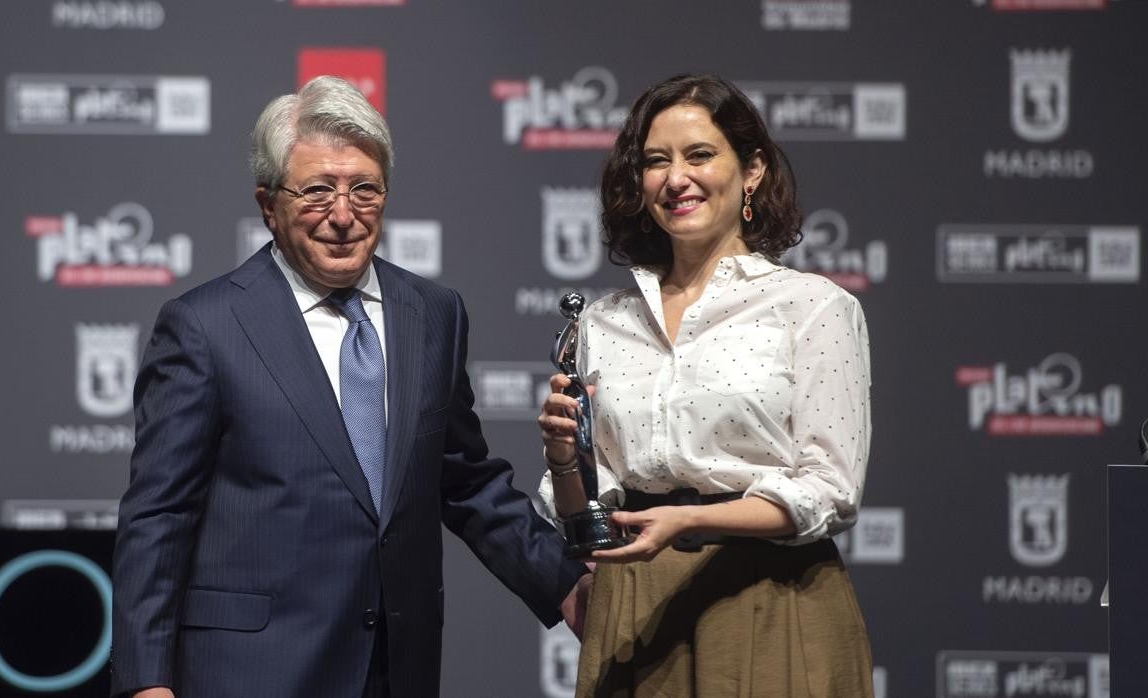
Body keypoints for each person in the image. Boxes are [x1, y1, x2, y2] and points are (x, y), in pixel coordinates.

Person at [110, 76, 590, 698]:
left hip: (396, 669)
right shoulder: (204, 326)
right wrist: (145, 682)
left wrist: (565, 584)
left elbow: (466, 479)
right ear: (267, 204)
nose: (343, 215)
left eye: (363, 188)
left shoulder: (433, 313)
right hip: (251, 672)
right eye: (316, 191)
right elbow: (158, 516)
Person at [537, 73, 874, 696]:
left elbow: (831, 487)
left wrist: (690, 521)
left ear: (752, 172)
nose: (675, 178)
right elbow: (583, 514)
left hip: (768, 598)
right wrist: (563, 460)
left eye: (699, 155)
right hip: (633, 606)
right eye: (655, 161)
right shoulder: (600, 323)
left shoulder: (813, 307)